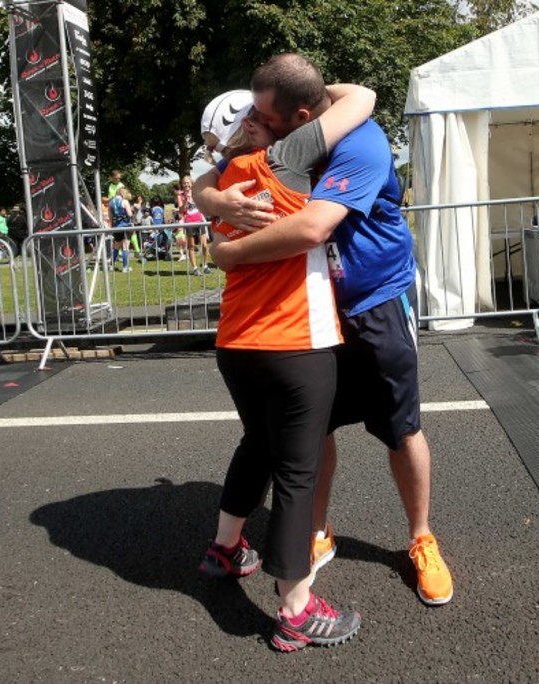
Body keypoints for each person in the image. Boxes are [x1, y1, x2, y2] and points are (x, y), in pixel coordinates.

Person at [194, 53, 453, 608]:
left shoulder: (358, 141)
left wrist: (226, 253)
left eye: (264, 112)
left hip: (376, 304)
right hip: (314, 313)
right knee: (314, 433)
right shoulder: (277, 141)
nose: (252, 121)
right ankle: (315, 532)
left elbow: (313, 227)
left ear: (302, 113)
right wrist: (212, 199)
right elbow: (206, 176)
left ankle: (421, 538)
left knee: (400, 428)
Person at [196, 81, 376, 652]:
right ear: (256, 123)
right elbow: (363, 97)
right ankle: (296, 607)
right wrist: (308, 87)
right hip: (296, 341)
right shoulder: (285, 155)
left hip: (236, 343)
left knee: (256, 443)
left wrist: (210, 194)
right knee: (296, 477)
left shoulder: (225, 178)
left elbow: (205, 182)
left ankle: (225, 548)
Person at [108, 187, 133, 272]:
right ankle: (125, 267)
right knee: (125, 247)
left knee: (116, 247)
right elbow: (129, 214)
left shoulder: (110, 203)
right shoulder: (125, 201)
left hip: (116, 227)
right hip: (126, 226)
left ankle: (111, 265)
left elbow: (110, 217)